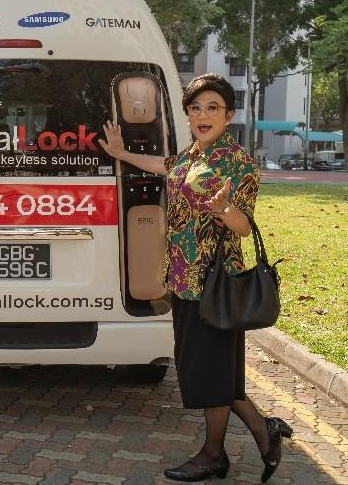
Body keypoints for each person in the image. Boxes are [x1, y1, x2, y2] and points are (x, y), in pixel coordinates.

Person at [99, 74, 292, 483]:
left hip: (214, 284)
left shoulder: (238, 162)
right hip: (182, 280)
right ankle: (266, 431)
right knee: (214, 373)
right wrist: (121, 152)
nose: (203, 115)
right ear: (187, 114)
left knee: (209, 375)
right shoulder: (189, 156)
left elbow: (243, 227)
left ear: (229, 115)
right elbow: (163, 166)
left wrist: (225, 210)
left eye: (212, 108)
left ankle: (213, 455)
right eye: (196, 108)